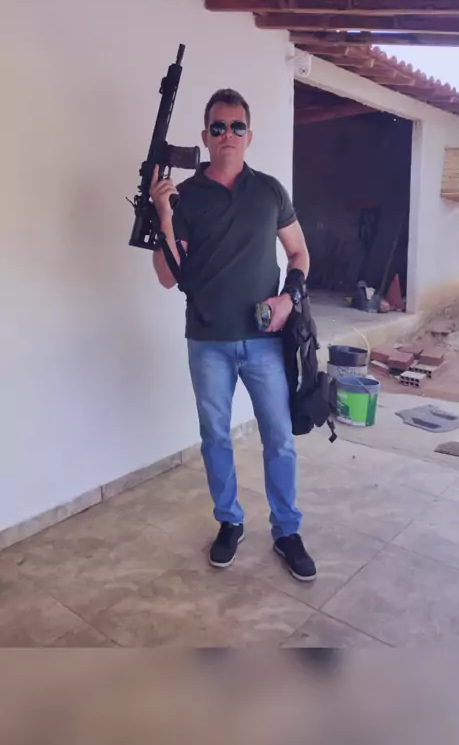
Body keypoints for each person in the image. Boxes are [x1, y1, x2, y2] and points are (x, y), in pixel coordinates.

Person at [149, 88, 316, 582]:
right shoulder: (186, 197)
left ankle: (286, 530)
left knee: (279, 438)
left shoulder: (270, 192)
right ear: (206, 136)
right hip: (208, 342)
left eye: (236, 126)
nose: (228, 135)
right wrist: (163, 215)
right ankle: (230, 522)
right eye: (218, 127)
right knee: (216, 438)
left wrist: (289, 298)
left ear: (249, 135)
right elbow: (166, 276)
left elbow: (300, 253)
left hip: (265, 341)